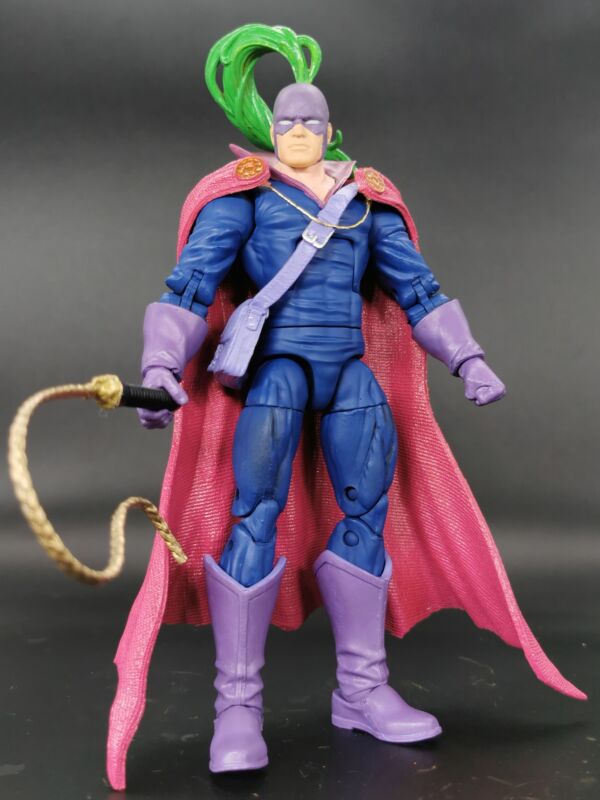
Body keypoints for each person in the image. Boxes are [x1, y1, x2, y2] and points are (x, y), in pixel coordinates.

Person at [105, 25, 584, 791]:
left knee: (366, 515)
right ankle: (237, 708)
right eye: (286, 121)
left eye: (310, 121)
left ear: (331, 131)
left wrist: (467, 357)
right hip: (277, 376)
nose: (297, 131)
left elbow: (417, 288)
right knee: (252, 518)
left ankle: (361, 690)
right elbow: (190, 287)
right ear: (271, 129)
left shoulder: (366, 201)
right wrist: (161, 364)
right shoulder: (247, 194)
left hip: (351, 378)